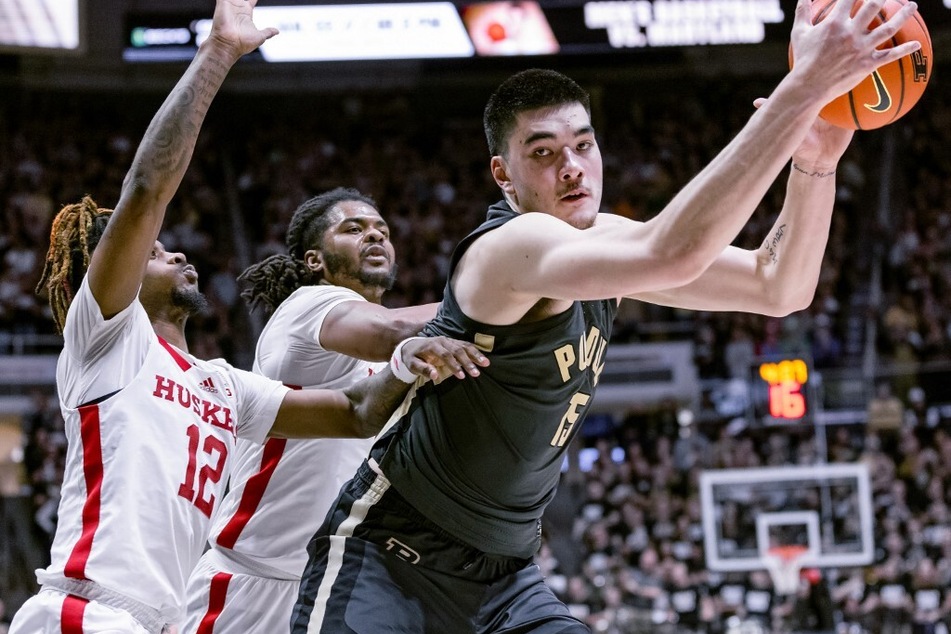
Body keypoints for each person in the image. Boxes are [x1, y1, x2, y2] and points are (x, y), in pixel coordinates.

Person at [291, 0, 922, 631]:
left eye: (583, 145)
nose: (571, 166)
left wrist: (816, 159)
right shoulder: (510, 248)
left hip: (505, 578)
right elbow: (672, 251)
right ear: (502, 176)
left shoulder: (605, 241)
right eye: (543, 153)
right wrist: (804, 87)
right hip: (393, 559)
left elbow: (779, 285)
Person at [9, 2, 487, 632]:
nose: (173, 251)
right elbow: (148, 187)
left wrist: (404, 359)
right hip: (85, 610)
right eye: (151, 254)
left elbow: (355, 413)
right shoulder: (107, 341)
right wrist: (217, 55)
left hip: (158, 621)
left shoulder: (223, 385)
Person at [181, 187, 438, 633]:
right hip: (254, 582)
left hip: (336, 584)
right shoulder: (308, 307)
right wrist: (505, 292)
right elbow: (396, 327)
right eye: (353, 229)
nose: (374, 237)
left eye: (382, 230)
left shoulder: (395, 352)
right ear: (315, 260)